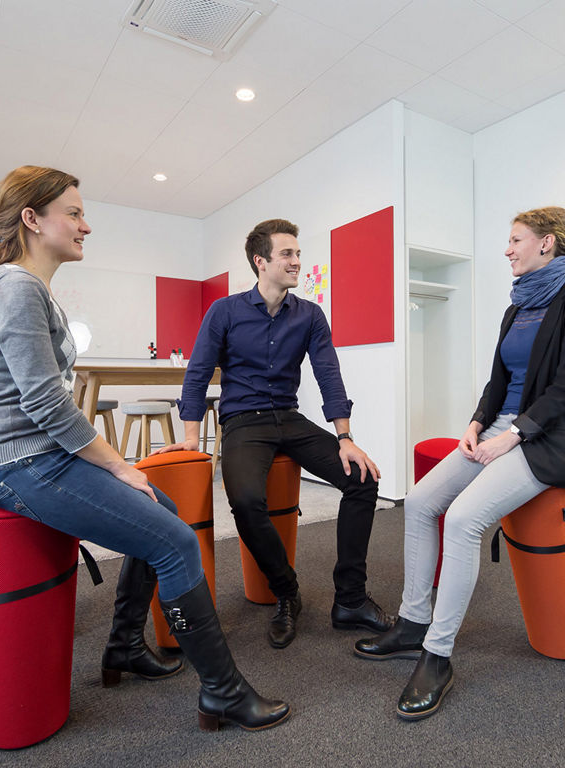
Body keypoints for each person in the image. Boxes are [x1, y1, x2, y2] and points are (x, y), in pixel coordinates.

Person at [0, 166, 290, 732]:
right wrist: (117, 465)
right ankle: (223, 691)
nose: (86, 225)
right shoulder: (14, 286)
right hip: (15, 464)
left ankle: (123, 646)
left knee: (157, 508)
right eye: (74, 213)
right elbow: (44, 403)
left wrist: (120, 471)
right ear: (32, 220)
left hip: (39, 456)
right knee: (177, 541)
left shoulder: (25, 286)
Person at [355, 206, 565, 720]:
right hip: (498, 429)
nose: (507, 250)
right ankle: (412, 623)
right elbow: (498, 380)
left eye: (516, 240)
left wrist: (510, 436)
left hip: (547, 439)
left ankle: (438, 656)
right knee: (421, 500)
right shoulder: (516, 307)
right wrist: (475, 424)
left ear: (547, 244)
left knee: (466, 521)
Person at [158, 218, 393, 649]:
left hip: (289, 416)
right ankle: (287, 591)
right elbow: (196, 375)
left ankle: (351, 599)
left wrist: (344, 437)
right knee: (245, 500)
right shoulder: (224, 311)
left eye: (298, 254)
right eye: (287, 254)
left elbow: (329, 376)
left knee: (363, 479)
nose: (297, 261)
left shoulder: (309, 315)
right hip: (243, 421)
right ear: (260, 261)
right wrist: (192, 437)